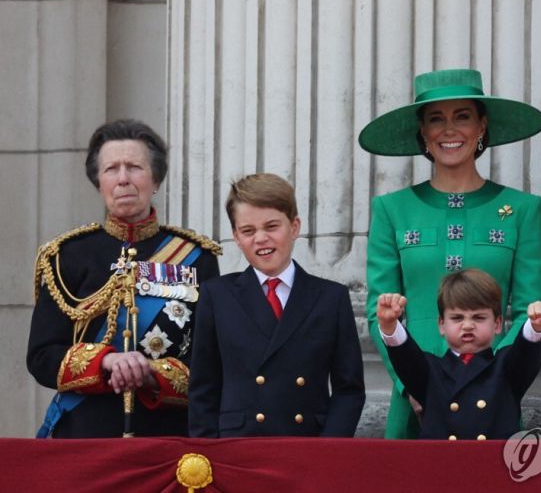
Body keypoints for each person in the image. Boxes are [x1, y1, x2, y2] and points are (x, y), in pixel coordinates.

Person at [359, 68, 541, 439]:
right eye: (436, 119)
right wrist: (412, 385)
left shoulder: (522, 208)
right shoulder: (390, 209)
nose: (449, 130)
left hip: (494, 397)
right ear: (423, 133)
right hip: (415, 396)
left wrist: (496, 380)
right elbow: (377, 310)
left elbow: (529, 309)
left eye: (462, 116)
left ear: (482, 126)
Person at [27, 119, 222, 438]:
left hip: (167, 436)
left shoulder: (196, 257)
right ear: (98, 183)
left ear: (155, 179)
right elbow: (41, 357)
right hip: (85, 433)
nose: (123, 179)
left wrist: (151, 374)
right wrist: (107, 362)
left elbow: (212, 362)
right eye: (111, 169)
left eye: (134, 167)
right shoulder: (67, 256)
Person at [188, 173, 365, 437]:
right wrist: (209, 454)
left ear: (294, 227)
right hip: (237, 447)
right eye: (248, 231)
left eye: (271, 226)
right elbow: (203, 387)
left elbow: (349, 389)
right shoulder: (217, 296)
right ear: (236, 236)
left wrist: (329, 449)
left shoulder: (331, 298)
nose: (260, 238)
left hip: (307, 445)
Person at [376, 269, 541, 440]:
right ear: (441, 325)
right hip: (440, 465)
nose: (467, 325)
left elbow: (526, 352)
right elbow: (405, 356)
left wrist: (536, 325)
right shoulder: (430, 370)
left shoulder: (506, 367)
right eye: (457, 318)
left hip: (493, 464)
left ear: (497, 324)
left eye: (479, 317)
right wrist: (389, 325)